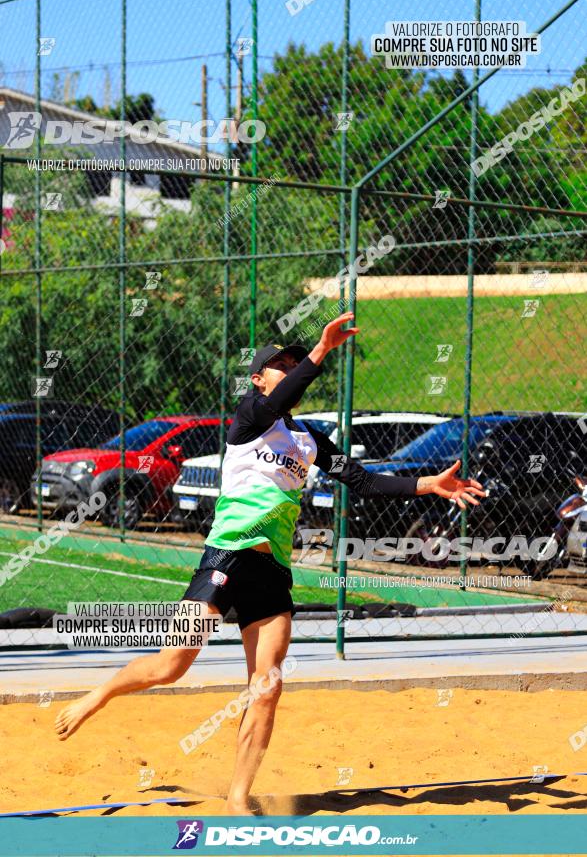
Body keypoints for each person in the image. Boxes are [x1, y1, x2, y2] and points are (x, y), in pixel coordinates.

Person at [54, 312, 485, 814]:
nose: (289, 370)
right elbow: (281, 398)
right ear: (258, 379)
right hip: (227, 556)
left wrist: (427, 484)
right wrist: (321, 351)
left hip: (272, 570)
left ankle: (238, 796)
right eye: (279, 365)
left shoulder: (308, 441)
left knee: (267, 687)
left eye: (293, 363)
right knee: (173, 665)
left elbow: (364, 481)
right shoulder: (250, 417)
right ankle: (99, 694)